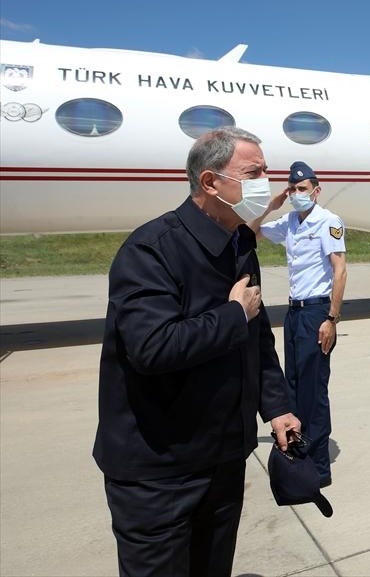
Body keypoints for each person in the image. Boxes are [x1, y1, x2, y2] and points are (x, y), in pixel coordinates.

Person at [94, 126, 301, 577]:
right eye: (254, 173)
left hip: (223, 458)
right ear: (210, 182)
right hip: (160, 471)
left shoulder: (239, 243)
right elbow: (151, 347)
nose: (266, 183)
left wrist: (277, 405)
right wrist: (232, 315)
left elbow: (256, 337)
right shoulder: (151, 249)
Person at [250, 161, 347, 488]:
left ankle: (318, 470)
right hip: (294, 314)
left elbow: (340, 271)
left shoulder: (328, 221)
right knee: (291, 386)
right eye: (292, 189)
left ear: (316, 191)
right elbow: (251, 232)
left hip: (317, 313)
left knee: (313, 391)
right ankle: (299, 457)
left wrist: (331, 318)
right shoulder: (290, 221)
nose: (296, 194)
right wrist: (270, 206)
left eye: (302, 189)